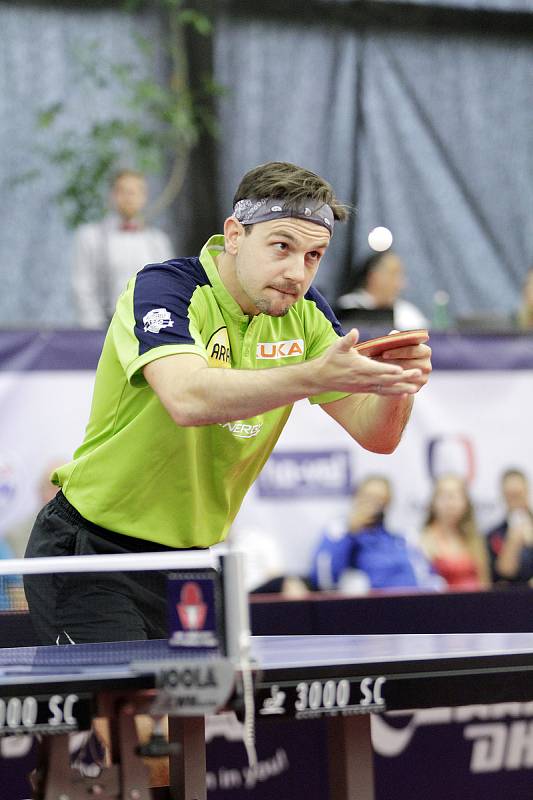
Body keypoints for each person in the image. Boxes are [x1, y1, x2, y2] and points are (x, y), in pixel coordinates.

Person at [24, 160, 432, 646]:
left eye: (313, 256)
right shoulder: (164, 288)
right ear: (235, 235)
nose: (295, 272)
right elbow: (186, 397)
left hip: (192, 560)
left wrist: (398, 383)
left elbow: (377, 436)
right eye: (281, 246)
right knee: (125, 711)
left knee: (196, 713)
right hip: (96, 550)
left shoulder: (305, 314)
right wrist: (311, 375)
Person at [72, 169, 174, 328]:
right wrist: (94, 330)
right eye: (123, 191)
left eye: (134, 192)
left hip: (148, 329)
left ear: (144, 197)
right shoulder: (91, 237)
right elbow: (83, 287)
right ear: (112, 196)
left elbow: (167, 287)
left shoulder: (158, 241)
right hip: (105, 327)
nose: (128, 198)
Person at [310, 475, 442, 592]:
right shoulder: (340, 531)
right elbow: (324, 579)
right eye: (368, 497)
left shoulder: (401, 537)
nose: (374, 505)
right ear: (357, 497)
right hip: (373, 608)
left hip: (416, 603)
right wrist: (349, 531)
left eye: (381, 499)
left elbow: (429, 575)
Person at [421, 474, 490, 590]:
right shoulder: (424, 540)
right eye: (444, 496)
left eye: (455, 496)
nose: (450, 502)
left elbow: (484, 582)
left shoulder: (474, 539)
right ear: (433, 503)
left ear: (466, 503)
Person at [336, 250, 429, 331]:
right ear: (373, 276)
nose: (400, 284)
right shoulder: (348, 308)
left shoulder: (407, 313)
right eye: (393, 274)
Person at [486, 468, 533, 585]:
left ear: (526, 491)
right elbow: (505, 572)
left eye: (518, 494)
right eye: (510, 495)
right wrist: (514, 538)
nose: (515, 500)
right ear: (503, 495)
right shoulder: (494, 535)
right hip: (512, 596)